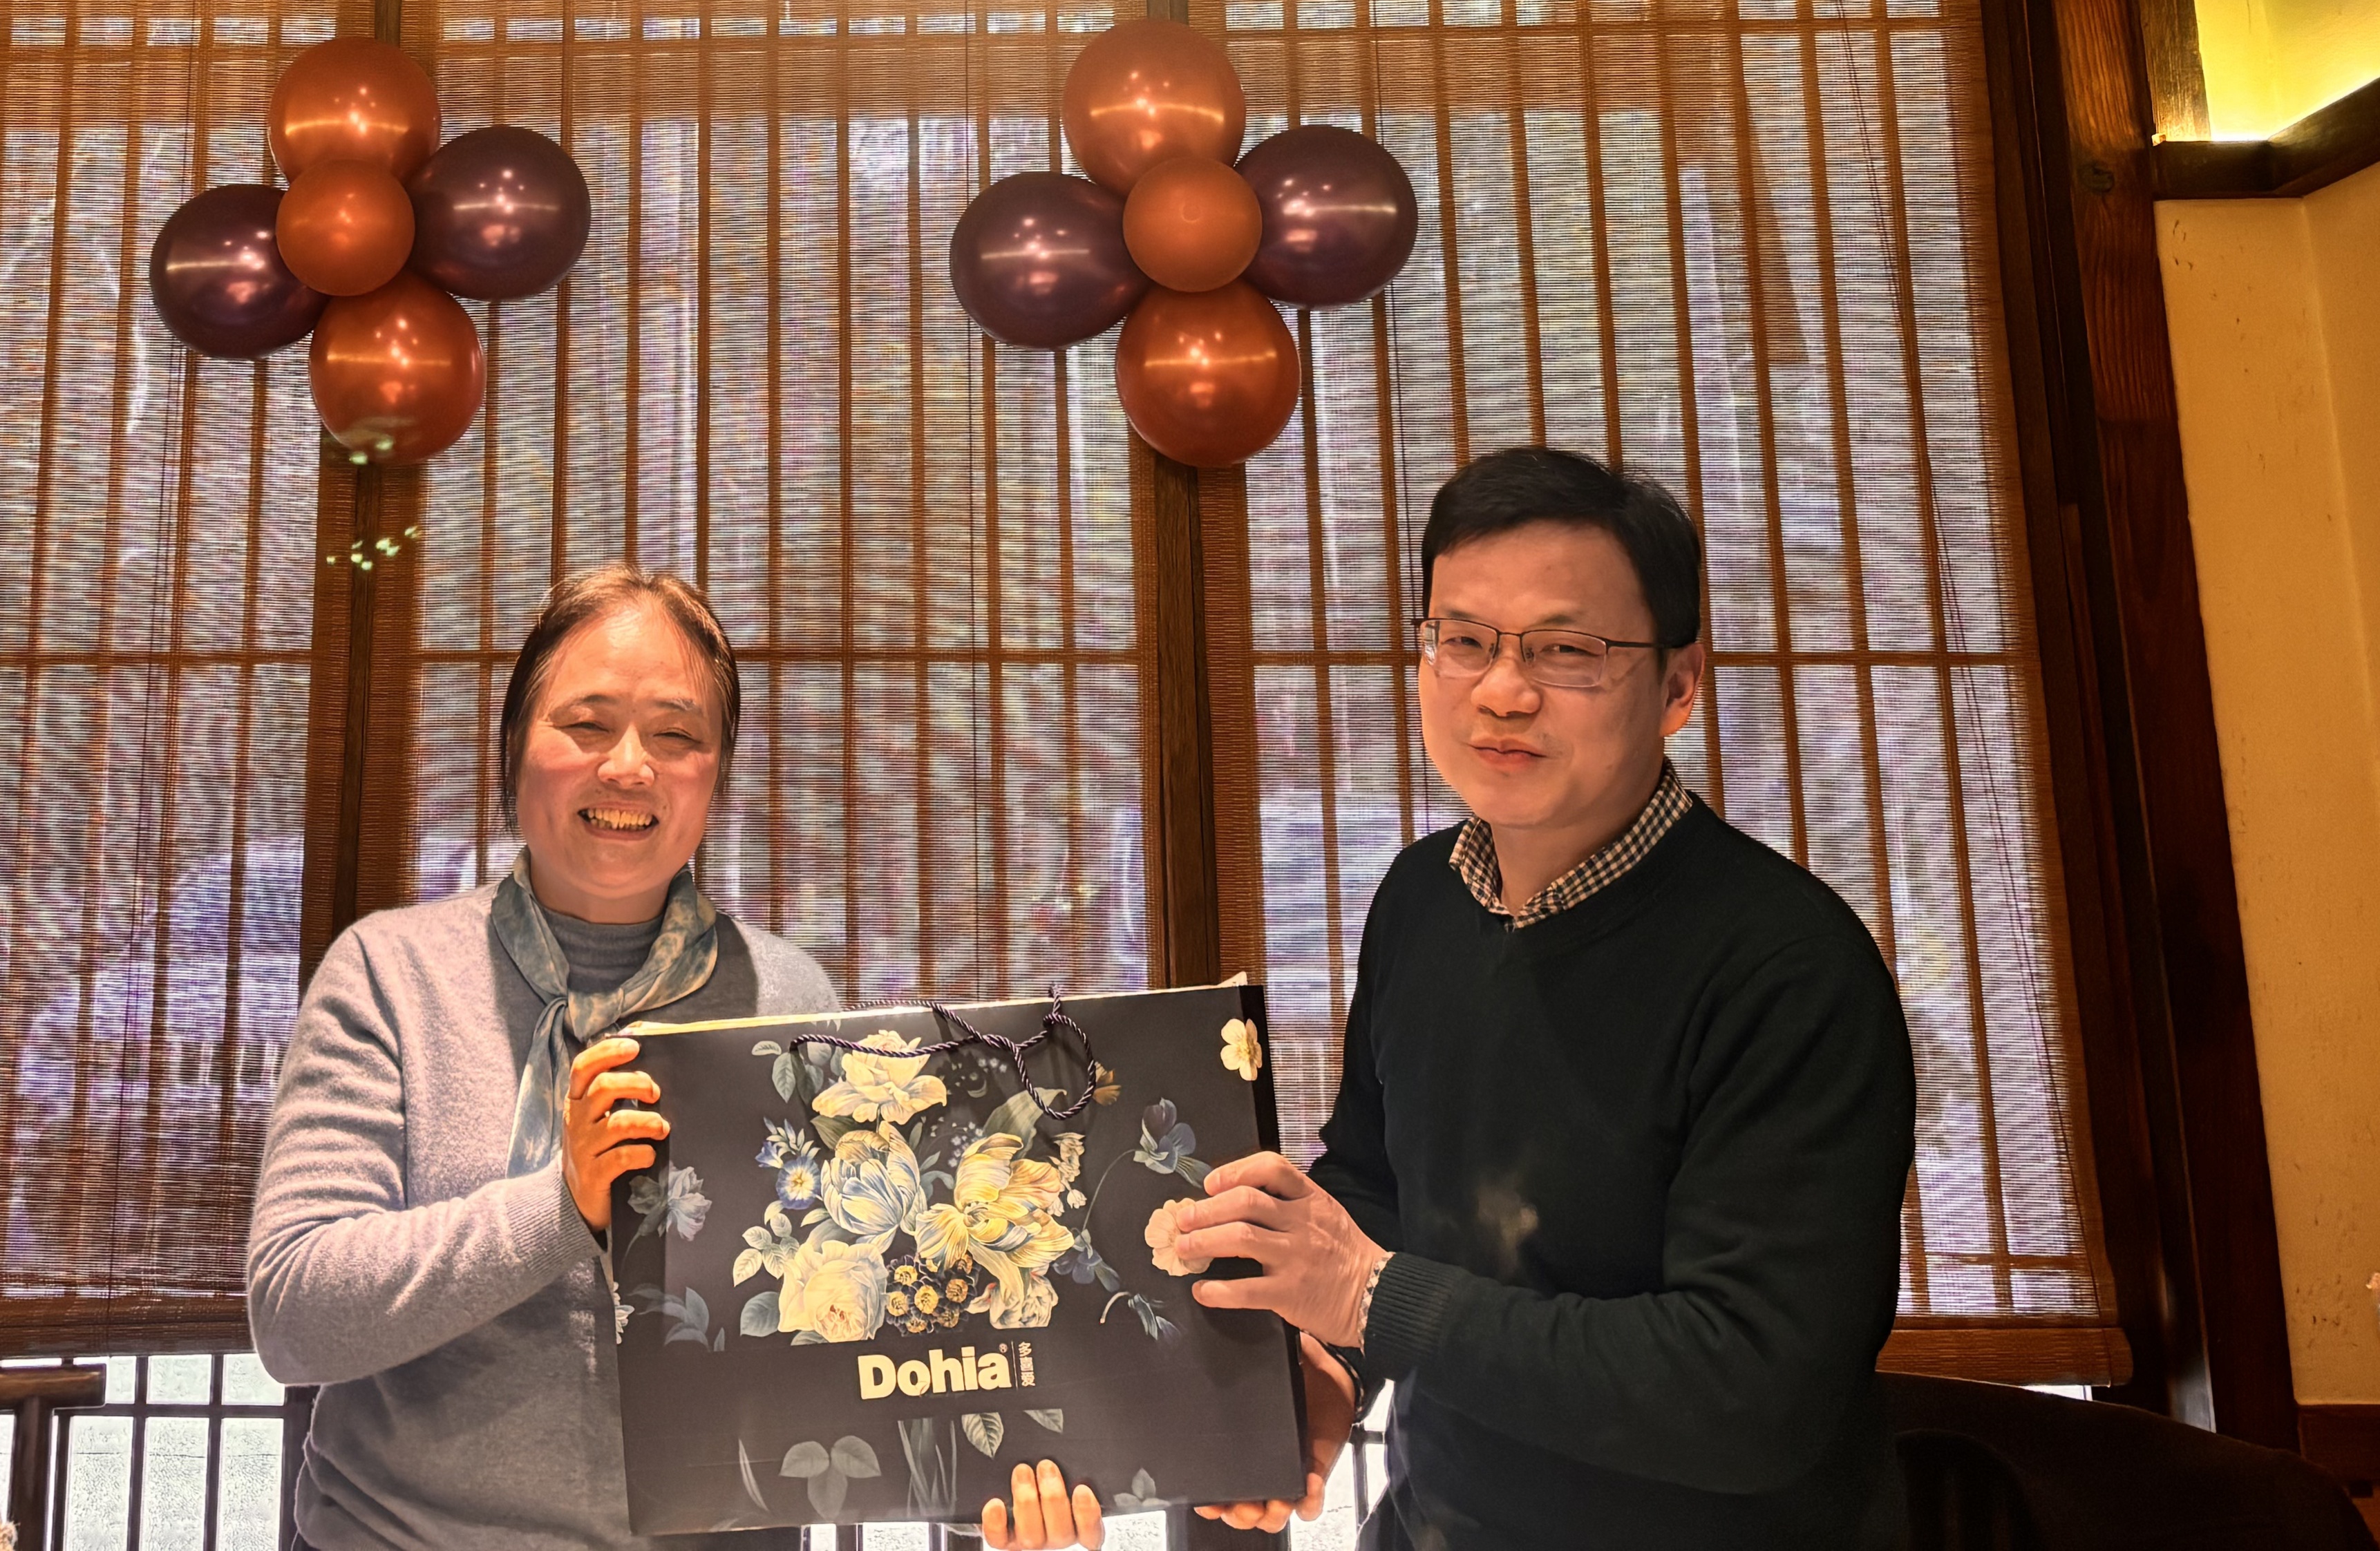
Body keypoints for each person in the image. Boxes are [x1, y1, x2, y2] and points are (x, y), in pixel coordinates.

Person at [248, 564, 1097, 1551]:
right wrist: (562, 1204)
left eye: (677, 735)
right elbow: (294, 1316)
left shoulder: (788, 997)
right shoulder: (390, 974)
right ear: (514, 746)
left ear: (715, 776)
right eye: (587, 723)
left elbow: (858, 1331)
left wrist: (991, 1479)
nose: (629, 766)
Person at [1175, 448, 1918, 1548]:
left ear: (1679, 686)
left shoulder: (1790, 969)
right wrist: (1329, 1367)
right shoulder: (1422, 898)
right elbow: (1380, 1185)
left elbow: (1749, 1392)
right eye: (1464, 639)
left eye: (1567, 650)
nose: (1503, 689)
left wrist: (1374, 1299)